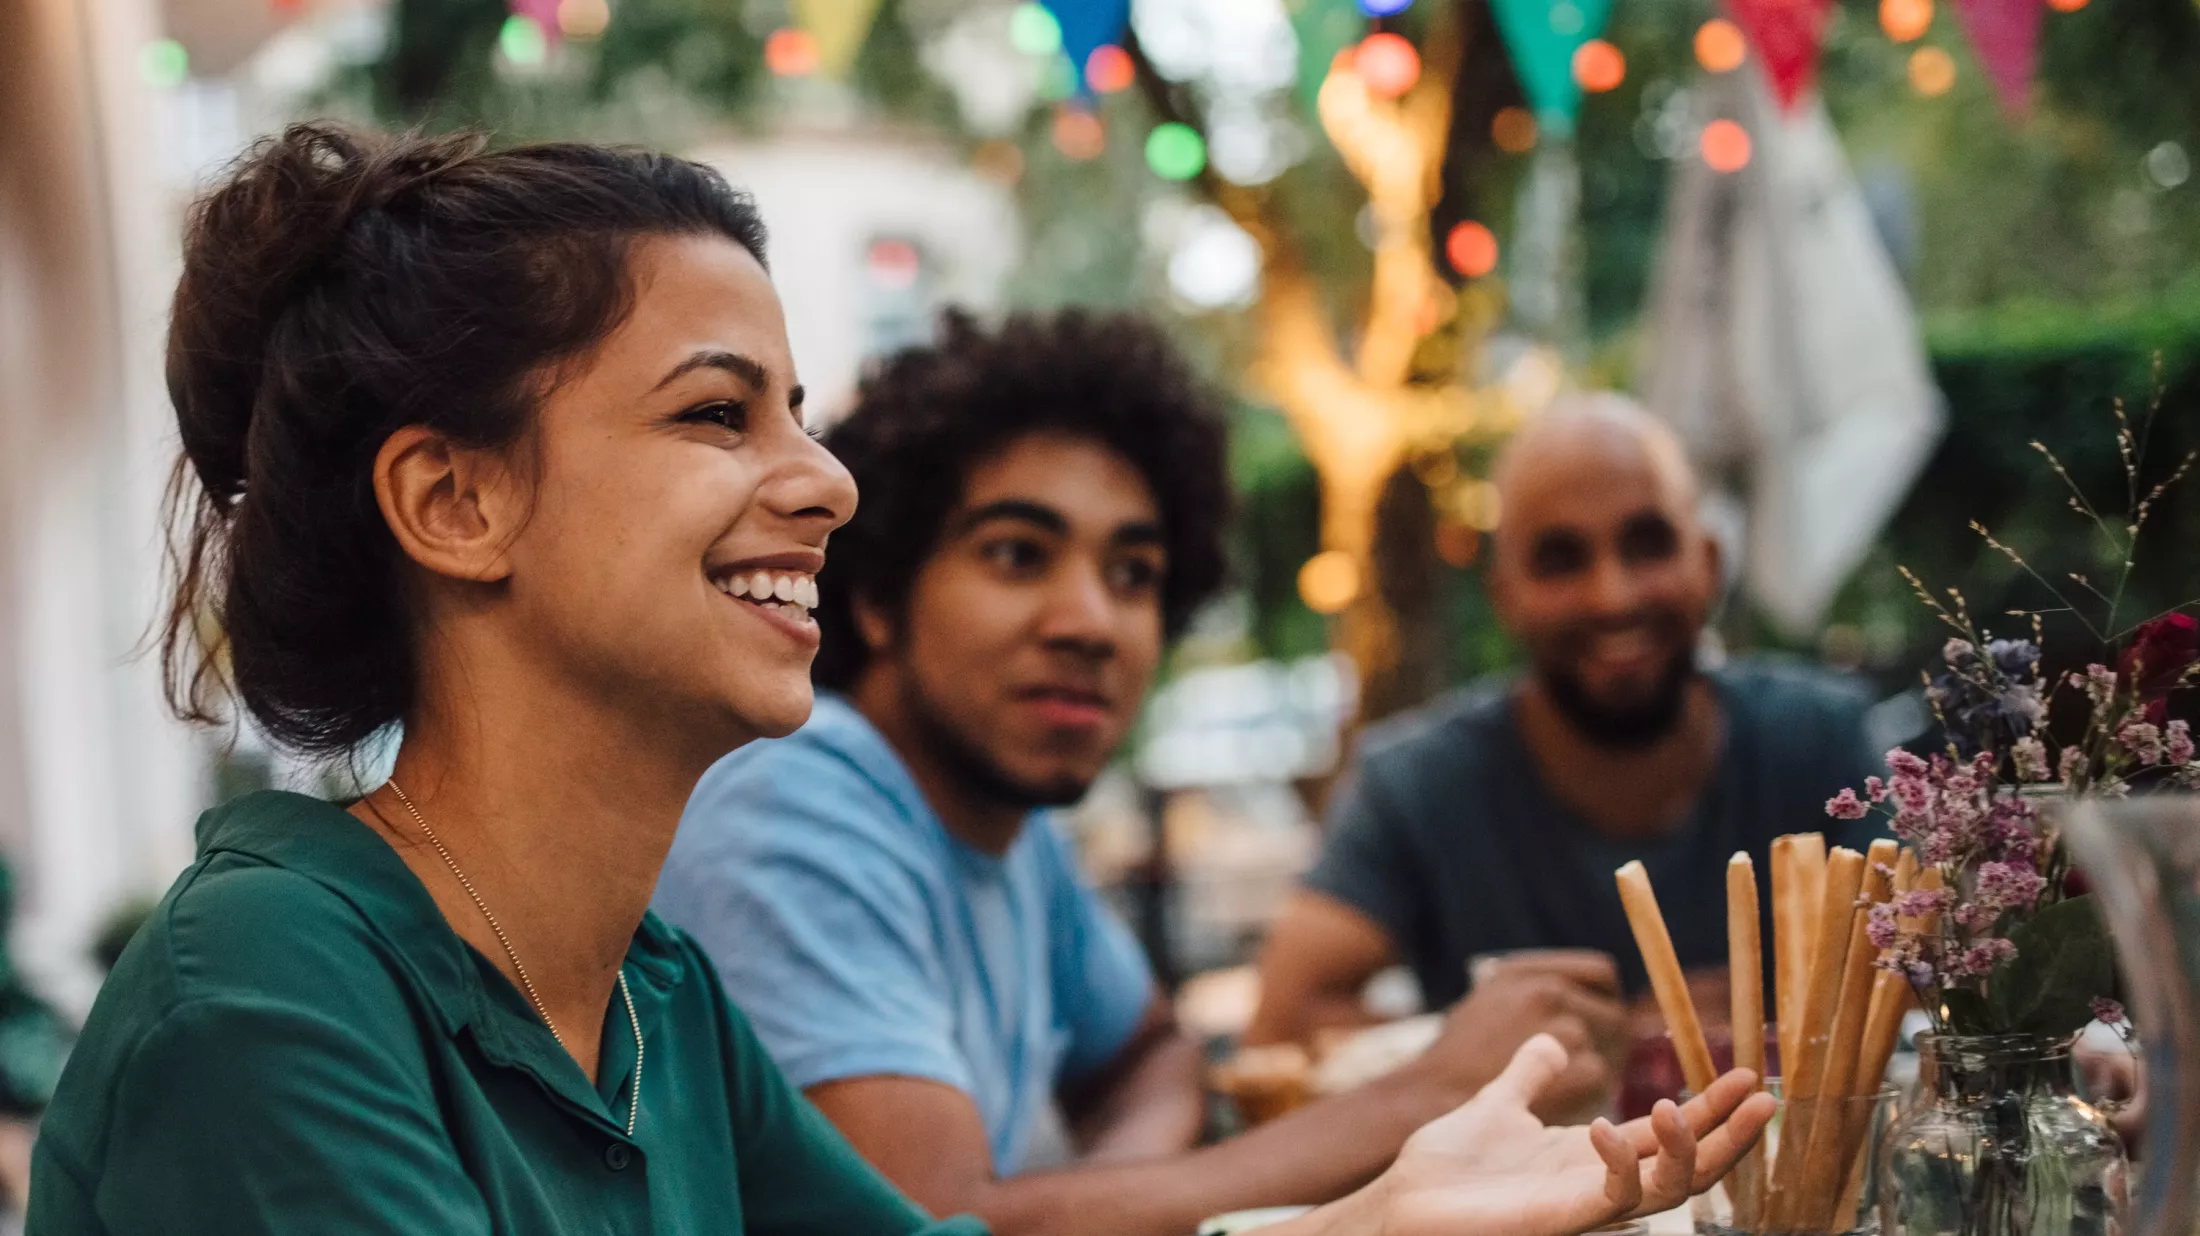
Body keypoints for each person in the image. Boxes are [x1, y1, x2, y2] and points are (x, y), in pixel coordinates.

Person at [26, 123, 1768, 1236]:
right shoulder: (263, 1000)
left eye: (798, 409)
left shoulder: (653, 1000)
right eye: (720, 412)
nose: (830, 481)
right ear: (453, 500)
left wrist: (1376, 1216)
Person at [654, 315, 1650, 1236]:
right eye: (1016, 555)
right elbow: (941, 1224)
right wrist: (1431, 1093)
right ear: (874, 598)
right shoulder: (796, 798)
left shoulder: (1012, 833)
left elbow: (1153, 1053)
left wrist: (1103, 1197)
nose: (1090, 621)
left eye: (1133, 574)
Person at [1248, 393, 1886, 1049]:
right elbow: (1283, 1023)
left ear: (1709, 565)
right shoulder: (1415, 786)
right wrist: (1566, 1046)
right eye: (1561, 558)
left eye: (1648, 544)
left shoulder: (1818, 740)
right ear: (1505, 596)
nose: (1612, 596)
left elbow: (1930, 978)